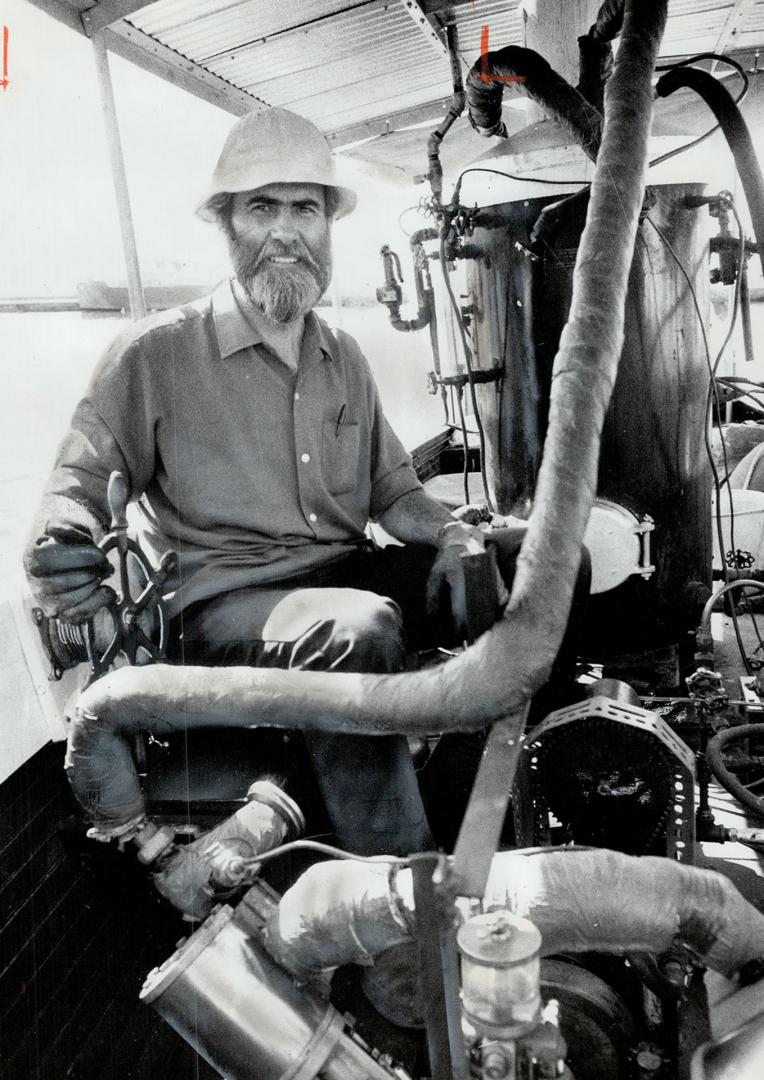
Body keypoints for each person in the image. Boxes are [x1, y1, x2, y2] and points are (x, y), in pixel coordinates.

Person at [24, 107, 573, 864]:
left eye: (305, 209)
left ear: (327, 227)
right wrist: (62, 539)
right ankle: (403, 890)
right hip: (221, 610)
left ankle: (501, 788)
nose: (286, 231)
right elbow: (77, 480)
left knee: (529, 566)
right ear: (227, 225)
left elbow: (393, 494)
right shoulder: (156, 355)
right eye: (262, 208)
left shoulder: (343, 355)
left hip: (340, 576)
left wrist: (454, 534)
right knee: (357, 631)